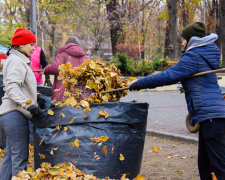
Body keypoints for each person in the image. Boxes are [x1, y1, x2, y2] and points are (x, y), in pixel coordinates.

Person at [129, 22, 225, 179]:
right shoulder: (205, 54)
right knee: (205, 165)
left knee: (220, 167)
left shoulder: (194, 56)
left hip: (210, 116)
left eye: (183, 39)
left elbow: (167, 76)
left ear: (191, 40)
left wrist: (140, 83)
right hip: (210, 116)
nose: (182, 43)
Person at [0, 28, 45, 179]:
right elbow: (12, 87)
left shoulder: (19, 60)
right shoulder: (15, 61)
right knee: (20, 159)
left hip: (12, 115)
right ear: (20, 45)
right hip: (15, 115)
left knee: (10, 158)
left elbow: (22, 86)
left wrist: (37, 97)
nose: (34, 48)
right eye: (31, 44)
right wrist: (29, 104)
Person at [44, 36, 89, 101]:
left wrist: (45, 69)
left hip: (63, 93)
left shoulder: (62, 54)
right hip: (82, 94)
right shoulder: (86, 58)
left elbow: (55, 68)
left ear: (66, 44)